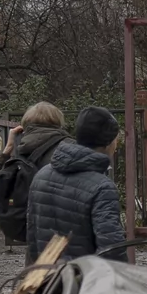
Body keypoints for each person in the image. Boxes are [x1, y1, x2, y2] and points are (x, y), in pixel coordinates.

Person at [25, 105, 128, 262]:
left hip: (48, 279)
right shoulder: (102, 187)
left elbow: (32, 238)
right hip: (83, 281)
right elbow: (111, 250)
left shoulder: (42, 176)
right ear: (108, 143)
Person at [0, 102, 67, 250]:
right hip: (70, 238)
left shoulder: (20, 157)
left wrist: (7, 150)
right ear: (59, 124)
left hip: (35, 238)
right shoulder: (72, 149)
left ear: (25, 127)